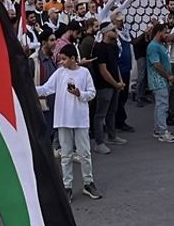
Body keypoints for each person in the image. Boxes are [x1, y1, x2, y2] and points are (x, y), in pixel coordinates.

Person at [35, 44, 101, 201]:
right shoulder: (59, 73)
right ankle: (67, 186)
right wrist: (30, 89)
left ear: (73, 58)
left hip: (80, 119)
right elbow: (46, 89)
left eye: (64, 59)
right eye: (60, 59)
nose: (62, 62)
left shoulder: (84, 73)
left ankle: (88, 182)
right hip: (63, 119)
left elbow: (92, 93)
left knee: (84, 153)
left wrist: (80, 93)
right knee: (66, 155)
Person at [90, 23, 127, 154]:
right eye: (113, 30)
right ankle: (99, 142)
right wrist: (115, 83)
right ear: (106, 32)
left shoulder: (113, 47)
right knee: (100, 114)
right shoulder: (99, 48)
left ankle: (112, 136)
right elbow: (103, 70)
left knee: (112, 112)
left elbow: (114, 66)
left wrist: (120, 81)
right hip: (104, 86)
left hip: (114, 85)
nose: (116, 32)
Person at [147, 24, 174, 143]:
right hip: (158, 80)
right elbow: (156, 64)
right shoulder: (153, 47)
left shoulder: (159, 45)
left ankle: (158, 129)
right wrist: (168, 76)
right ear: (158, 32)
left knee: (160, 105)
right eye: (165, 32)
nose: (167, 35)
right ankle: (162, 131)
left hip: (161, 80)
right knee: (162, 106)